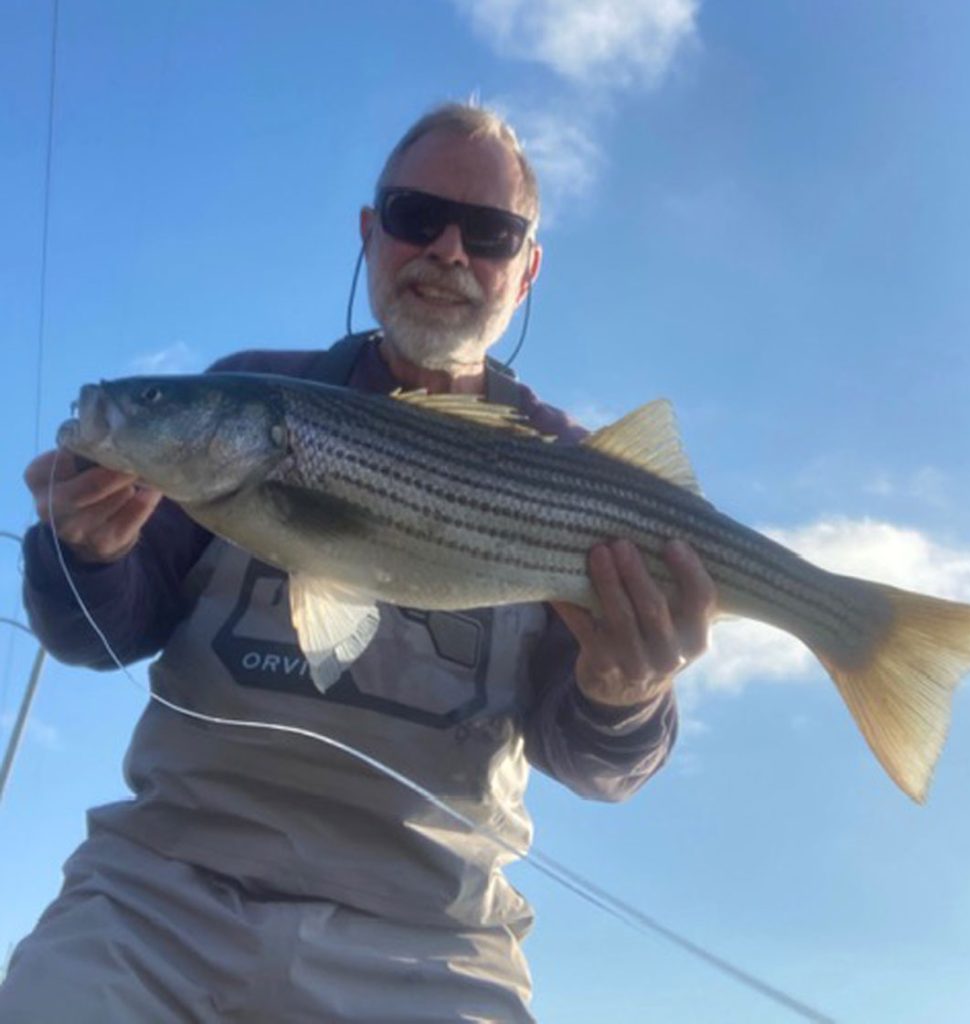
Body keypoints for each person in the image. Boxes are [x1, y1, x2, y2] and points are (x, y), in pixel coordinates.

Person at [3, 103, 717, 1022]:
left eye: (490, 234)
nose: (449, 251)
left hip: (430, 941)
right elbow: (98, 637)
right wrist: (83, 553)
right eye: (418, 216)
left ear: (527, 270)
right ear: (370, 232)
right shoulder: (255, 382)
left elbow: (592, 765)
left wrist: (628, 692)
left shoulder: (575, 471)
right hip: (160, 898)